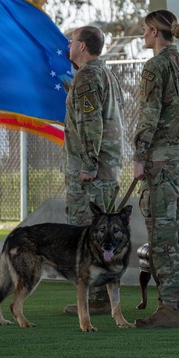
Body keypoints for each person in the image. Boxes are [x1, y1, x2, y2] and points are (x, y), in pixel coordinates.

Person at [132, 9, 179, 329]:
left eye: (145, 29)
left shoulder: (154, 67)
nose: (142, 34)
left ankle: (169, 308)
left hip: (162, 162)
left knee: (161, 237)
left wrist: (139, 156)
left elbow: (149, 115)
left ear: (156, 32)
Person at [61, 25, 124, 315]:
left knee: (89, 235)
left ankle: (95, 300)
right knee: (104, 235)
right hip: (108, 169)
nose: (68, 45)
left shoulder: (87, 77)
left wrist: (87, 164)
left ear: (83, 46)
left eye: (72, 41)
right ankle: (101, 298)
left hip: (93, 173)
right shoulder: (106, 74)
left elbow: (91, 123)